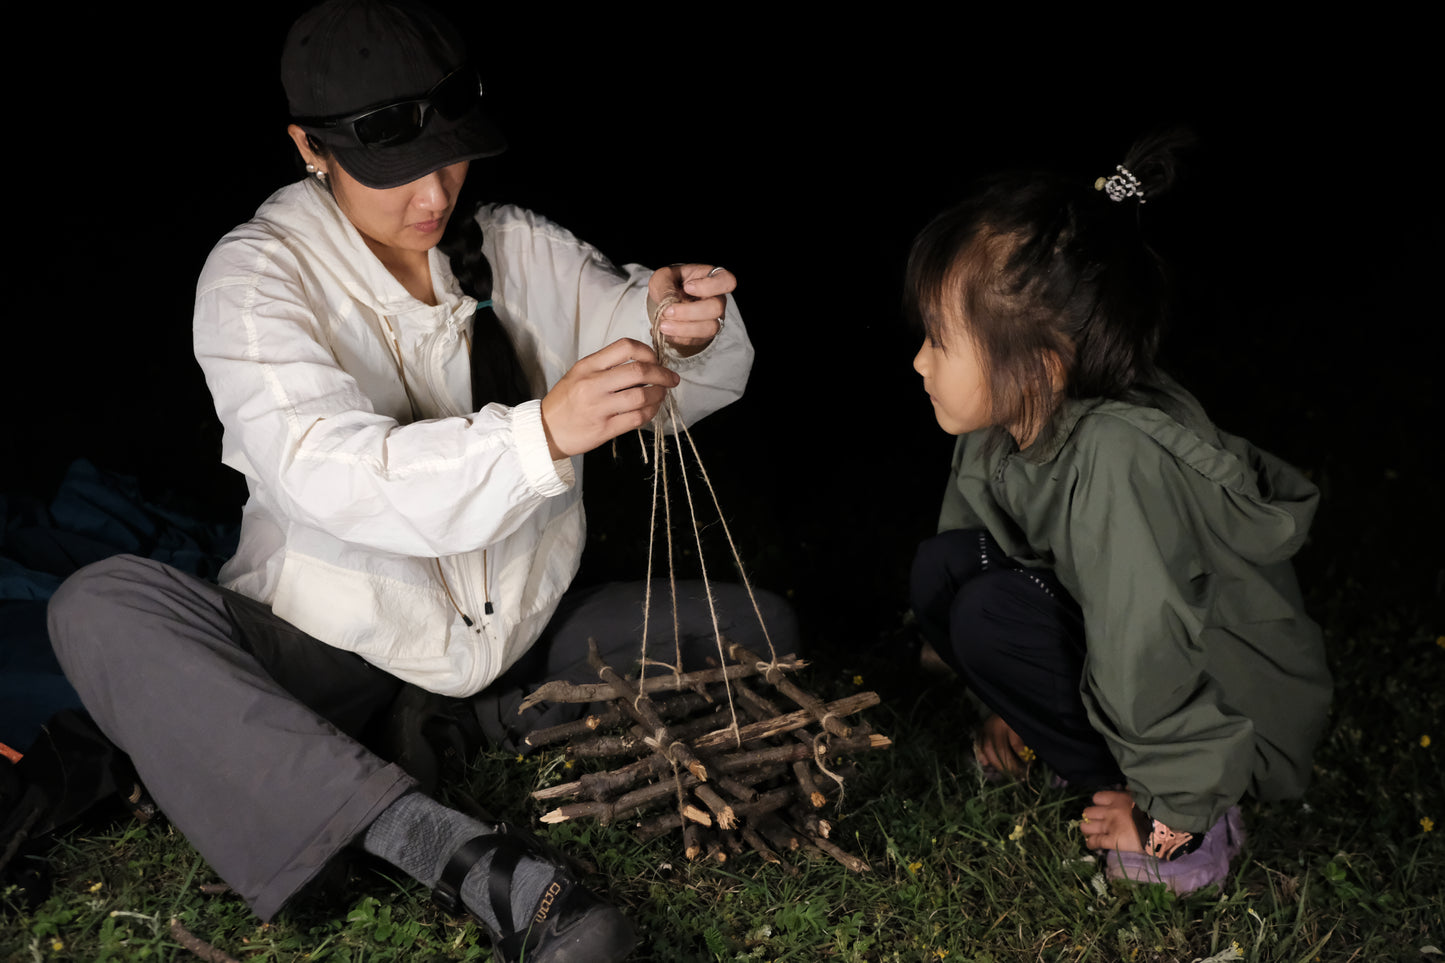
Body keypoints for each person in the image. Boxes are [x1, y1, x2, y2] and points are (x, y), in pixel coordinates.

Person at [45, 1, 794, 960]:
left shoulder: (510, 244)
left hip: (517, 633)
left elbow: (630, 327)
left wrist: (673, 324)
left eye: (450, 156)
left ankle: (443, 723)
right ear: (308, 148)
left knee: (757, 626)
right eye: (394, 170)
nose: (432, 193)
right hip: (334, 648)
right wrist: (541, 434)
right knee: (99, 604)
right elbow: (334, 472)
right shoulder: (255, 277)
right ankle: (448, 846)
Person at [905, 131, 1331, 894]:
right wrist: (1012, 704)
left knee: (990, 610)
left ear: (1037, 366)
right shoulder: (1005, 422)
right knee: (946, 567)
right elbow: (984, 548)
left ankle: (1196, 825)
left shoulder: (1116, 459)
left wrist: (1178, 809)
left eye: (940, 339)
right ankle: (1067, 750)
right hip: (1129, 663)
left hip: (1227, 715)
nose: (919, 361)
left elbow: (1147, 645)